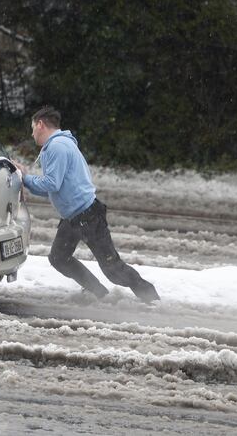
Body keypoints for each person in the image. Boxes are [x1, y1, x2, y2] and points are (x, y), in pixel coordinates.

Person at [13, 106, 160, 303]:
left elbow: (51, 183)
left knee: (113, 269)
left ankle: (151, 297)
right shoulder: (59, 145)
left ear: (40, 124)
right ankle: (98, 293)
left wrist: (26, 178)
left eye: (32, 128)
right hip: (73, 218)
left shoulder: (56, 147)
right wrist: (26, 180)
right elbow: (52, 188)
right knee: (59, 258)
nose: (32, 134)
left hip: (88, 216)